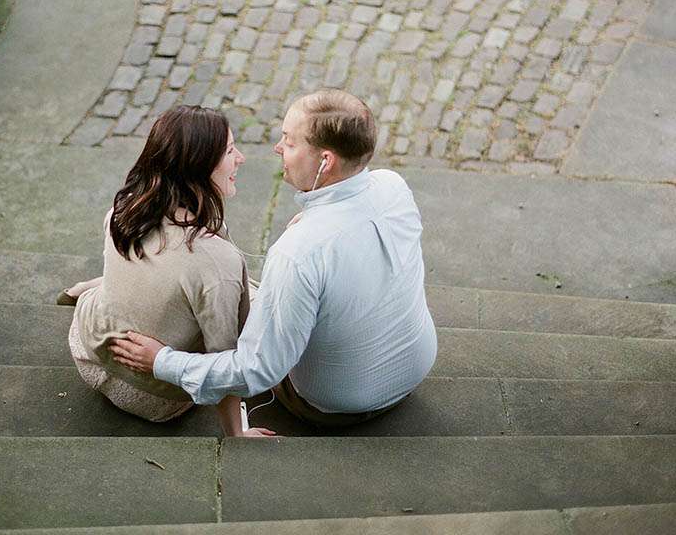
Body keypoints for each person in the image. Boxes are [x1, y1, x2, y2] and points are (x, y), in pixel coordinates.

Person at [111, 90, 437, 428]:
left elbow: (257, 370)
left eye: (290, 142)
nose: (277, 149)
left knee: (224, 308)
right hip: (414, 367)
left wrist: (161, 362)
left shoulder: (298, 254)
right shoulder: (393, 186)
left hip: (338, 406)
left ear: (325, 162)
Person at [62, 105, 275, 437]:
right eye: (231, 150)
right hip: (153, 400)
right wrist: (237, 435)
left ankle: (96, 287)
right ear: (200, 167)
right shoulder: (217, 261)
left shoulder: (127, 206)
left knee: (194, 282)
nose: (242, 158)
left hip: (87, 350)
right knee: (252, 296)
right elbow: (225, 360)